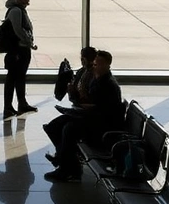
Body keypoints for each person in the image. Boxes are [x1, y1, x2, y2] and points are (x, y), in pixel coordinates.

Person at [44, 50, 124, 182]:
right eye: (95, 64)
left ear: (108, 65)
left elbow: (103, 110)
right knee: (54, 126)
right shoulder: (97, 80)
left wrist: (85, 107)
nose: (95, 67)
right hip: (91, 118)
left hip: (102, 126)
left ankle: (69, 169)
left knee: (68, 129)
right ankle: (64, 160)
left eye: (99, 64)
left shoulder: (109, 85)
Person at [3, 0, 38, 119]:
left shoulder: (19, 10)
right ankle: (9, 107)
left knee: (18, 78)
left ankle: (20, 104)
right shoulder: (17, 11)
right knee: (13, 78)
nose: (29, 0)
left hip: (20, 48)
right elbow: (18, 30)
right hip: (18, 49)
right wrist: (28, 42)